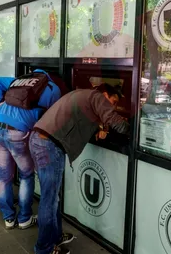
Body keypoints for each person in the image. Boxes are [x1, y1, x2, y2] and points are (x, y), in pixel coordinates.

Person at [30, 83, 130, 254]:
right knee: (50, 200)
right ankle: (44, 249)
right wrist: (135, 130)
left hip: (41, 140)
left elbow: (82, 120)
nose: (112, 105)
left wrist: (100, 128)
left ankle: (55, 237)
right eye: (112, 101)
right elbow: (116, 122)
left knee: (53, 198)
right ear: (105, 94)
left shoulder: (82, 94)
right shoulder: (96, 96)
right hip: (49, 146)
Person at [0, 69, 61, 230]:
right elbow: (53, 117)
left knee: (3, 177)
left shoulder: (19, 80)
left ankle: (8, 218)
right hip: (18, 132)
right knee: (26, 175)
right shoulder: (52, 88)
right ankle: (24, 218)